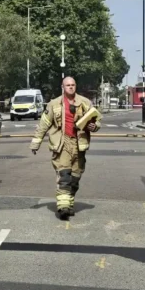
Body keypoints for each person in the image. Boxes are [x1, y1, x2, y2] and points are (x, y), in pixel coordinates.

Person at [30, 76, 100, 220]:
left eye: (73, 85)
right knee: (64, 176)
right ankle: (63, 208)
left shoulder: (85, 103)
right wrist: (35, 143)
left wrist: (95, 126)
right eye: (68, 85)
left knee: (75, 178)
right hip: (62, 144)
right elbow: (44, 124)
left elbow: (97, 120)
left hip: (79, 144)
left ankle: (69, 204)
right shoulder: (54, 104)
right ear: (63, 87)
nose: (71, 87)